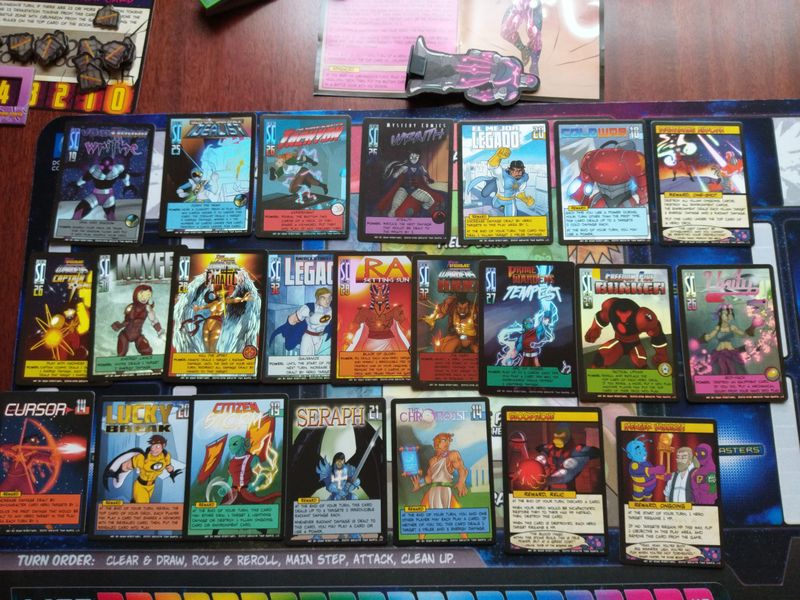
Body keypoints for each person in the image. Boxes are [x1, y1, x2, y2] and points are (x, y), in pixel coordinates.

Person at [410, 432, 467, 508]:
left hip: (445, 491)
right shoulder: (432, 460)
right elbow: (429, 478)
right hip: (433, 491)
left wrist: (461, 482)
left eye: (449, 441)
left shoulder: (452, 455)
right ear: (437, 443)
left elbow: (461, 469)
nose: (447, 443)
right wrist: (419, 484)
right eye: (444, 440)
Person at [111, 284, 164, 357]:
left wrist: (160, 331)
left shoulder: (148, 308)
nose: (144, 298)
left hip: (138, 335)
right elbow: (127, 321)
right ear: (136, 294)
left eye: (147, 295)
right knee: (121, 354)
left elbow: (154, 320)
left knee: (147, 351)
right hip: (125, 335)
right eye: (142, 295)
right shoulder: (131, 307)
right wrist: (120, 325)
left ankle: (149, 362)